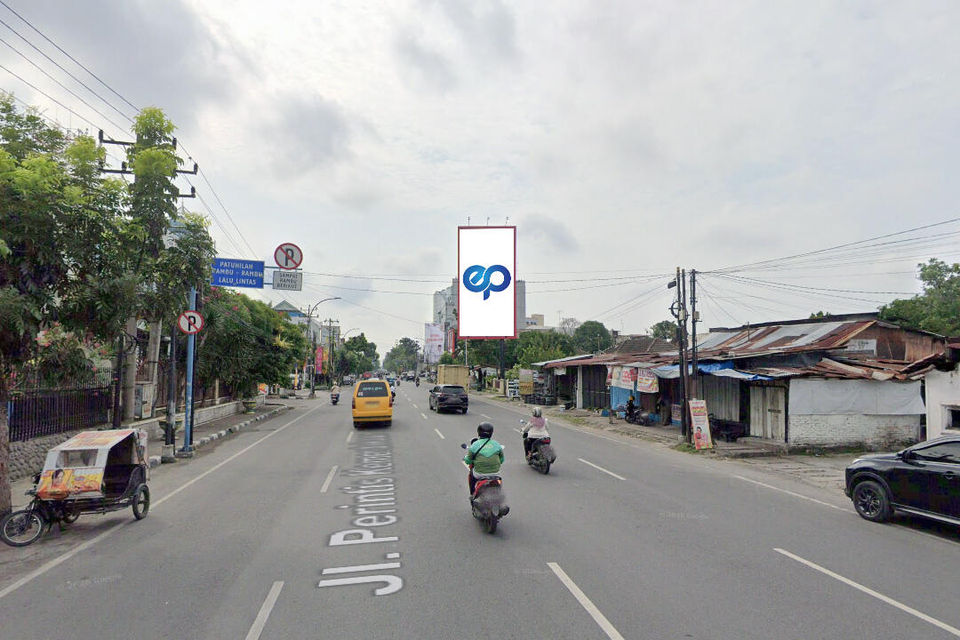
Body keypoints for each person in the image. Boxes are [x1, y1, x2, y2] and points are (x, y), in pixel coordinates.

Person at [463, 422, 504, 497]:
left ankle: (472, 494)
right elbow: (501, 460)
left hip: (479, 474)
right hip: (496, 474)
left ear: (478, 432)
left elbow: (468, 460)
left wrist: (466, 459)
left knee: (471, 475)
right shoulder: (497, 444)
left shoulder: (474, 445)